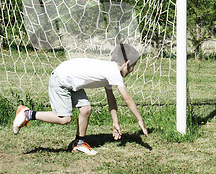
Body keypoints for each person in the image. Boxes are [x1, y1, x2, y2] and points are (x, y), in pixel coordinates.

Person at [12, 43, 148, 155]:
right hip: (61, 79)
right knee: (64, 119)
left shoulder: (110, 70)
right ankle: (27, 114)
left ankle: (78, 143)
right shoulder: (113, 71)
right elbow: (127, 98)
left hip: (71, 80)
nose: (132, 71)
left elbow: (111, 99)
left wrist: (115, 122)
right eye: (133, 67)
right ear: (127, 63)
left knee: (86, 109)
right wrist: (140, 119)